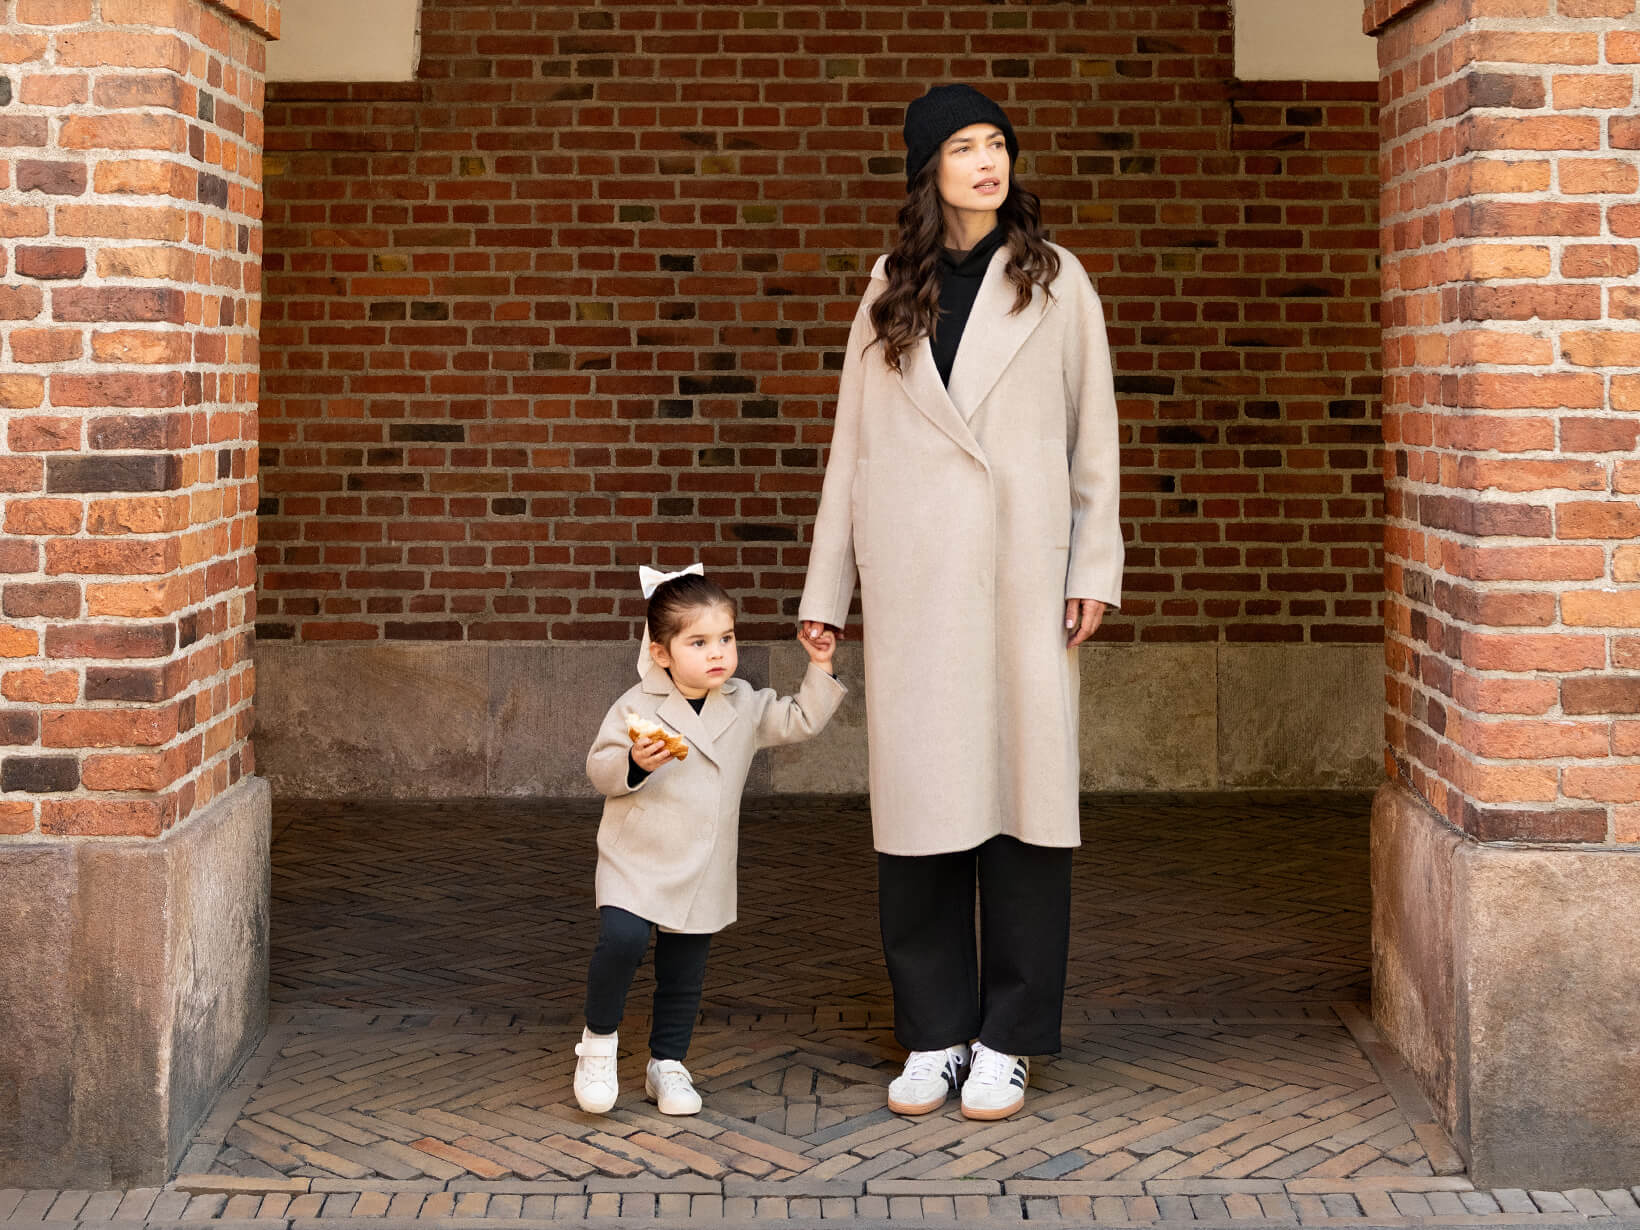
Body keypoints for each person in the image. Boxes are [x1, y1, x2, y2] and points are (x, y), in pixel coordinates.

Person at [799, 84, 1123, 1122]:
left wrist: (1089, 568)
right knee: (921, 808)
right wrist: (827, 592)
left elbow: (1094, 438)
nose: (987, 162)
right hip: (917, 578)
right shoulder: (888, 286)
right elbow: (849, 450)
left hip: (1022, 573)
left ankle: (1009, 1038)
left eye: (997, 144)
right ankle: (933, 1031)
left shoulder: (1057, 281)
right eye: (962, 147)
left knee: (1027, 808)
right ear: (925, 168)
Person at [575, 564, 845, 1116]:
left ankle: (667, 1063)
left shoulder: (743, 703)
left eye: (726, 638)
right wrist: (633, 762)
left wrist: (819, 666)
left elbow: (799, 720)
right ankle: (598, 1045)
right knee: (623, 941)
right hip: (636, 856)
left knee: (684, 968)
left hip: (704, 863)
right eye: (698, 642)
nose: (717, 652)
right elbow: (599, 768)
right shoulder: (637, 706)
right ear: (661, 652)